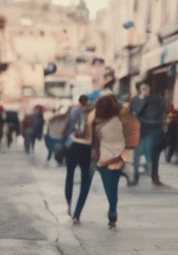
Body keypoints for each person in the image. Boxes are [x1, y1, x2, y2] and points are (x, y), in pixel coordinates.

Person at [89, 95, 135, 229]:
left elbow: (93, 142)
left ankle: (112, 209)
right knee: (114, 186)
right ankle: (113, 210)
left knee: (108, 187)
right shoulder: (120, 120)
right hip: (118, 158)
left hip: (103, 159)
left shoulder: (97, 124)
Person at [130, 82, 166, 187]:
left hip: (154, 129)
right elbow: (135, 112)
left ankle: (154, 177)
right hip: (141, 130)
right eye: (143, 88)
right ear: (139, 89)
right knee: (137, 154)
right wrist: (143, 100)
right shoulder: (136, 100)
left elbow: (161, 112)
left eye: (147, 87)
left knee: (153, 154)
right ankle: (135, 176)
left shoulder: (156, 99)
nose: (145, 89)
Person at [65, 95, 94, 222]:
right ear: (87, 102)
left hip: (73, 144)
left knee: (70, 175)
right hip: (87, 146)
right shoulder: (93, 112)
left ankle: (69, 204)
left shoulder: (73, 111)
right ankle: (77, 213)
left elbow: (68, 127)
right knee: (85, 177)